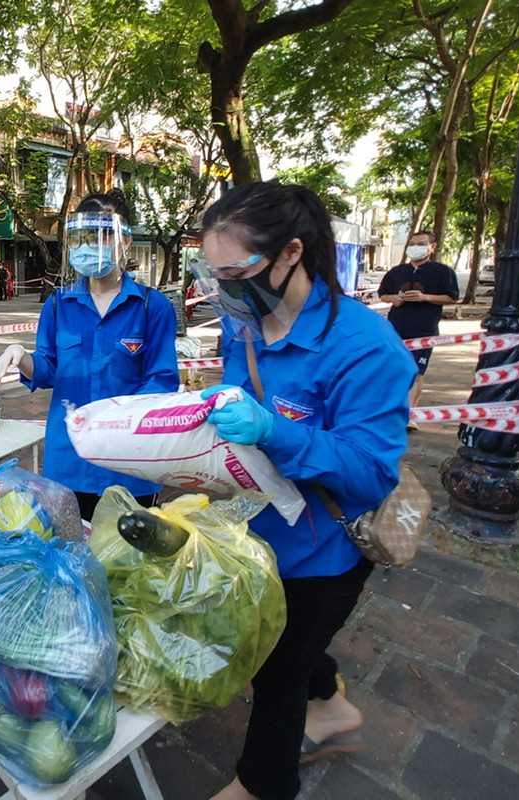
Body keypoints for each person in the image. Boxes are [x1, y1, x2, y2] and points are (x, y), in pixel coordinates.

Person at [189, 182, 414, 800]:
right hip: (258, 531)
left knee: (276, 673)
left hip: (324, 549)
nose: (224, 290)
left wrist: (274, 431)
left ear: (291, 253)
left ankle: (263, 784)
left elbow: (371, 472)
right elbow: (236, 412)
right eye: (214, 275)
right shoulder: (245, 327)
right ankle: (334, 708)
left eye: (235, 273)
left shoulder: (366, 348)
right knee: (285, 642)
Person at [0, 189, 179, 520]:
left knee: (127, 548)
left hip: (129, 461)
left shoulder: (152, 306)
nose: (90, 246)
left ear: (125, 239)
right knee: (72, 544)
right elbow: (49, 369)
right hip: (70, 458)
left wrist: (116, 419)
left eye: (102, 236)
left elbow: (162, 380)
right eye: (82, 238)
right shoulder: (58, 305)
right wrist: (22, 357)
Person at [377, 230, 459, 429]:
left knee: (416, 371)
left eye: (421, 244)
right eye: (412, 244)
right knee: (394, 369)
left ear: (432, 247)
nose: (415, 248)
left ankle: (410, 415)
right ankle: (389, 410)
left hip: (424, 329)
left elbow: (452, 297)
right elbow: (383, 294)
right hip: (396, 327)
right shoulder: (397, 272)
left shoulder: (443, 272)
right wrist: (392, 298)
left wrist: (425, 298)